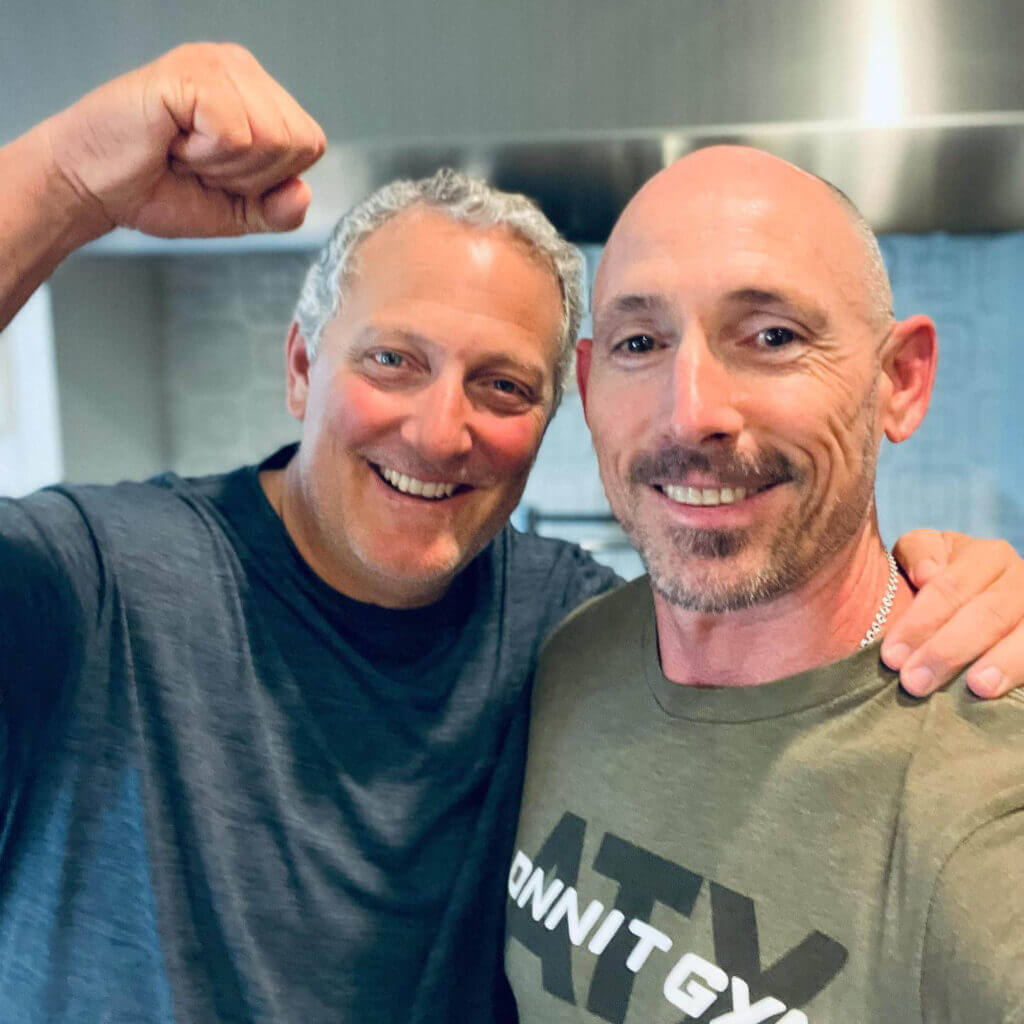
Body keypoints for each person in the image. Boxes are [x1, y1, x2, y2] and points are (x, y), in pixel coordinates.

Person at [0, 44, 1021, 1024]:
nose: (441, 432)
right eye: (393, 359)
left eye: (500, 385)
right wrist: (60, 179)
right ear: (303, 367)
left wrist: (979, 588)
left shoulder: (563, 626)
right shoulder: (94, 584)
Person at [505, 147, 1024, 1023]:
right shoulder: (563, 654)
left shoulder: (987, 809)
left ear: (900, 381)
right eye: (641, 342)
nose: (692, 410)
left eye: (773, 337)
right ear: (589, 388)